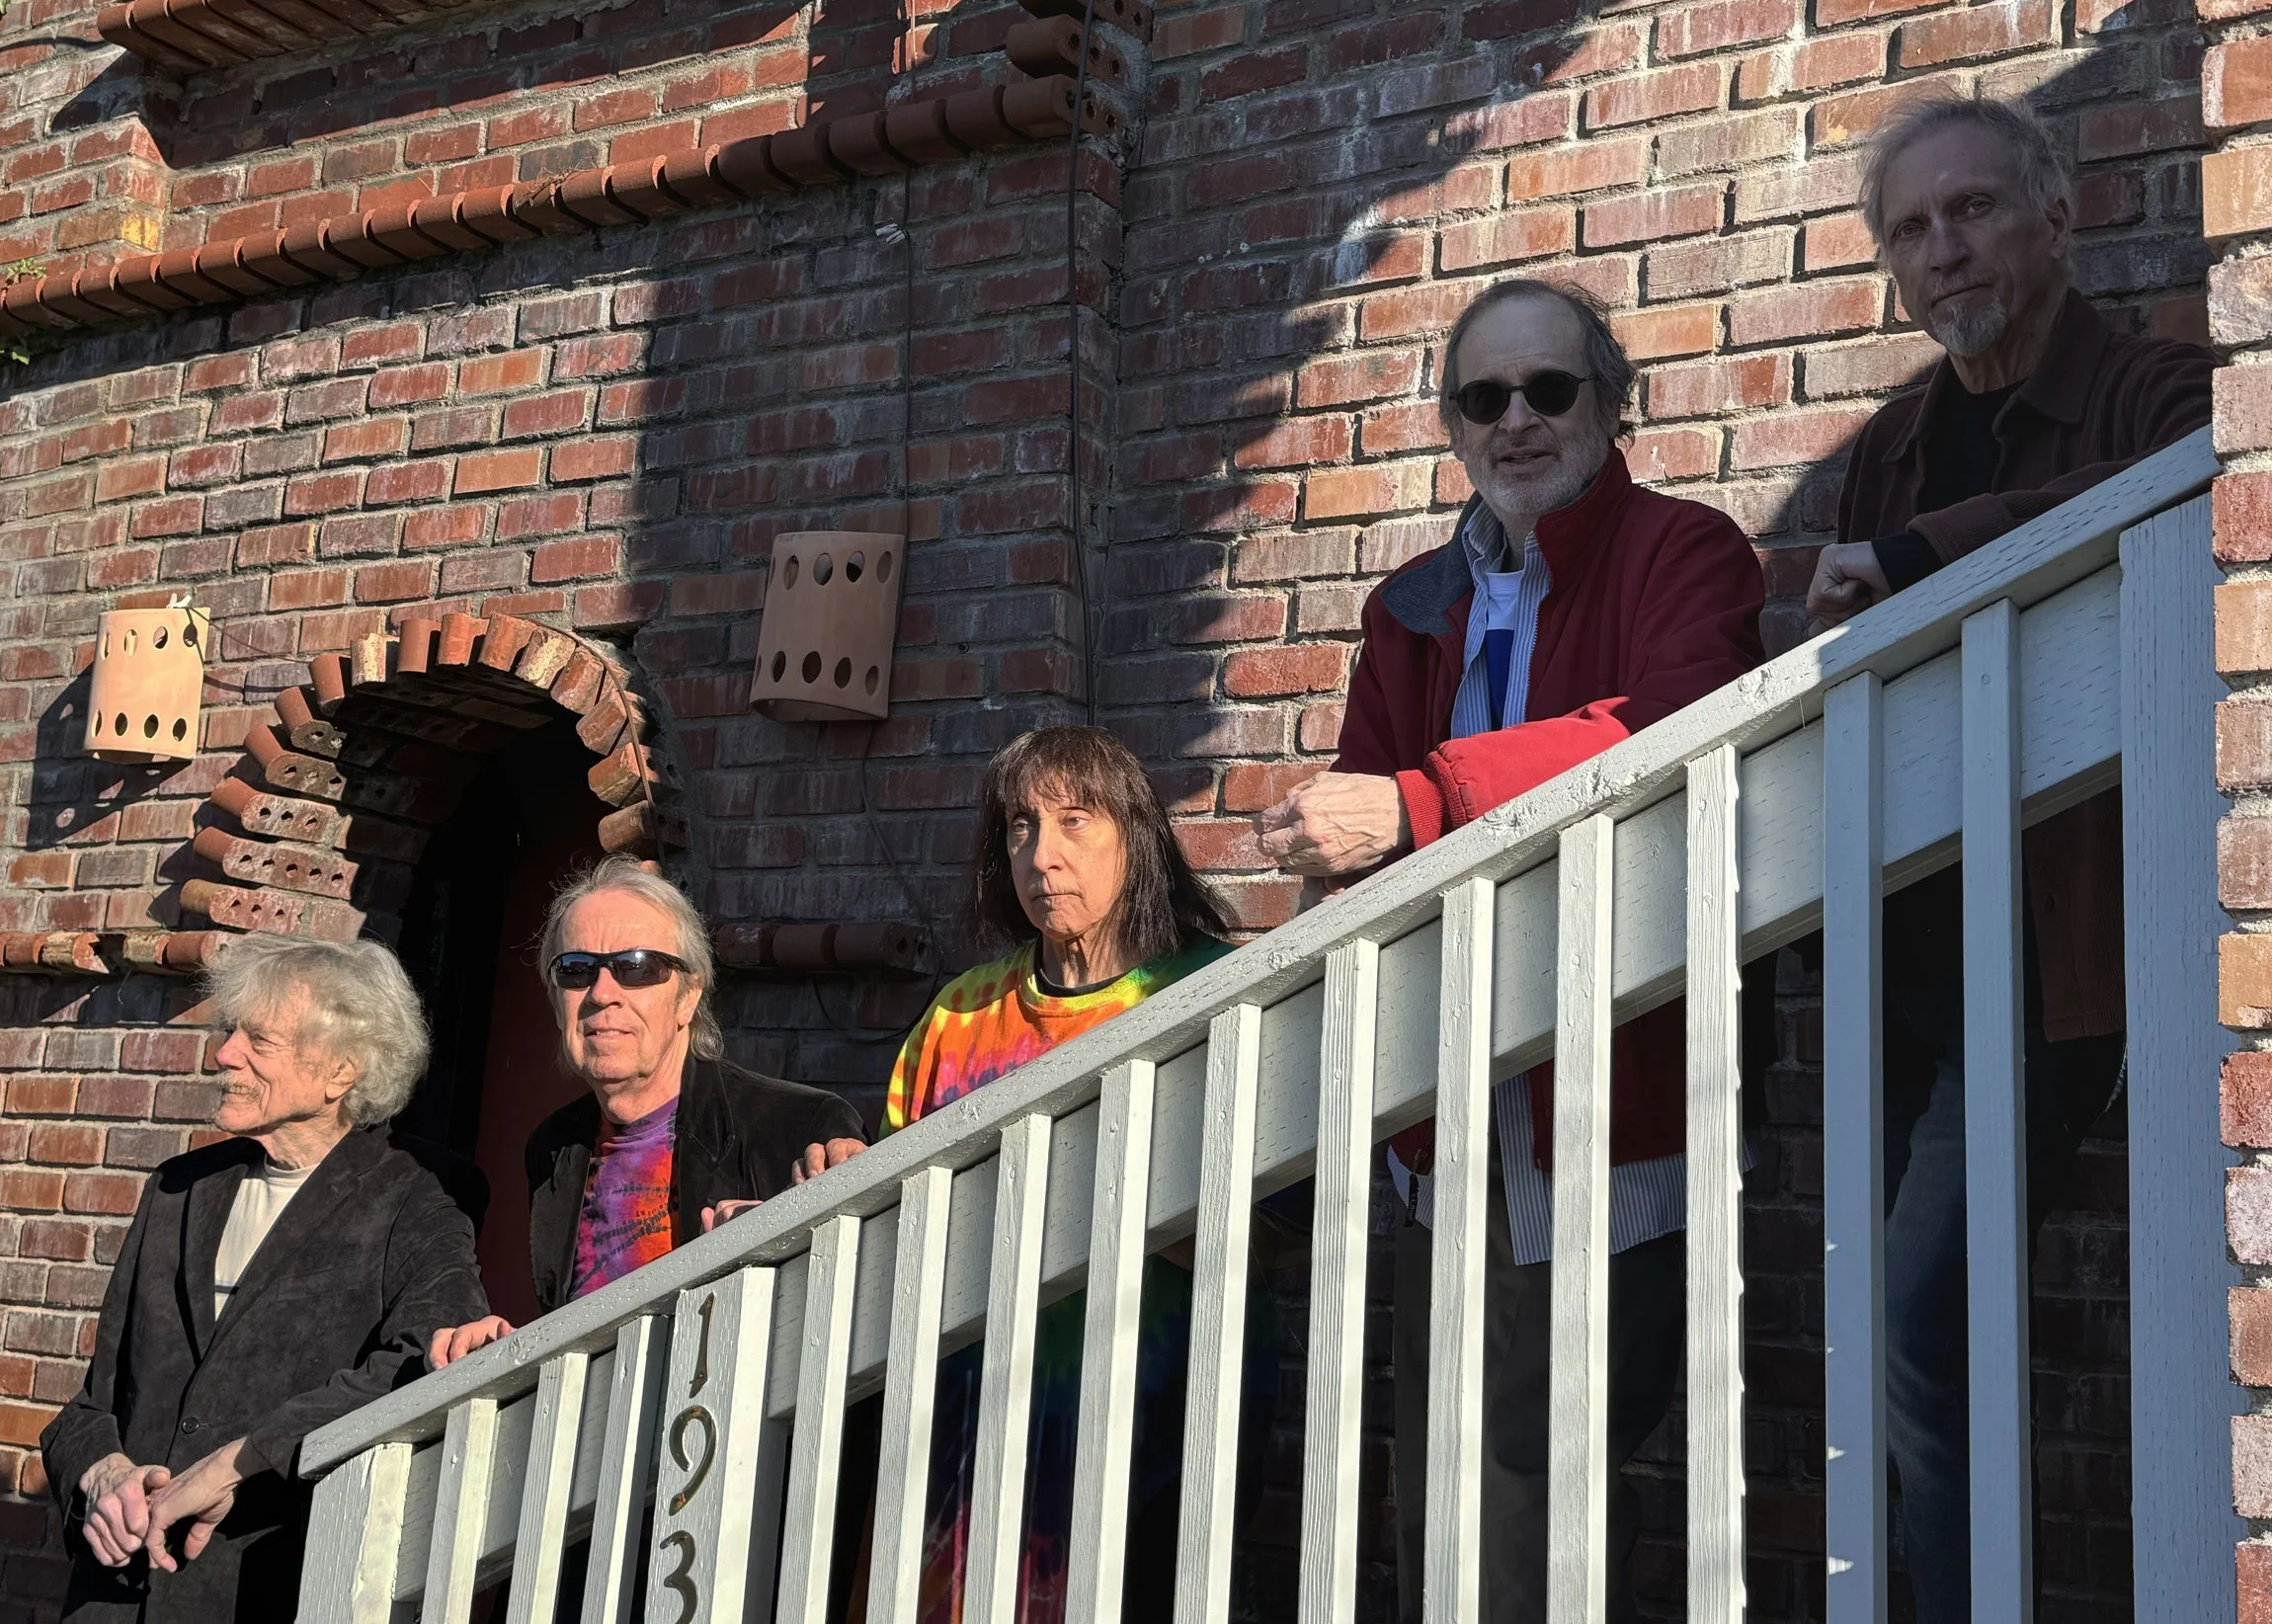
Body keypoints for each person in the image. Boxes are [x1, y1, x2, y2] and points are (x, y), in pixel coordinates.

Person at [1254, 278, 1766, 1621]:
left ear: (1610, 400)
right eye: (1487, 396)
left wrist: (1423, 800)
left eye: (1553, 389)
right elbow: (1354, 837)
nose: (1521, 419)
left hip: (1613, 1092)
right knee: (1448, 1489)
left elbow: (1665, 727)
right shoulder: (1409, 604)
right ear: (1453, 424)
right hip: (1441, 1108)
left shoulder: (1689, 552)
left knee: (1578, 1460)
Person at [1806, 92, 2212, 1624]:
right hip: (1905, 941)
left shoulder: (2160, 388)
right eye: (1910, 229)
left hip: (2056, 955)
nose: (1942, 248)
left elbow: (2167, 504)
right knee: (1912, 1331)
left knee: (1918, 1319)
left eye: (1971, 209)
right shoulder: (1890, 445)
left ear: (2058, 212)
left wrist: (1921, 559)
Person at [858, 724, 1258, 1624]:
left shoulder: (1209, 993)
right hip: (960, 1439)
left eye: (1076, 821)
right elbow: (891, 1217)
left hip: (1147, 1435)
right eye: (1020, 826)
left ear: (1137, 836)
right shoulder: (960, 1016)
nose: (1043, 854)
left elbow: (1274, 1231)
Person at [40, 935, 493, 1623]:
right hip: (115, 1599)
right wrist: (104, 1478)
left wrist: (234, 1463)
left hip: (273, 1590)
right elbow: (88, 1408)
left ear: (340, 1071)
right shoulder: (177, 1189)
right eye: (229, 1032)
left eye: (259, 1039)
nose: (224, 1054)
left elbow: (421, 1367)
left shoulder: (423, 1196)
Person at [429, 859, 866, 1366]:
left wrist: (776, 1258)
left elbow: (852, 1316)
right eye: (576, 969)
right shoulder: (553, 1146)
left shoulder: (798, 1125)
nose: (601, 993)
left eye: (637, 967)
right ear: (555, 1001)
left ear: (687, 997)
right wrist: (504, 1350)